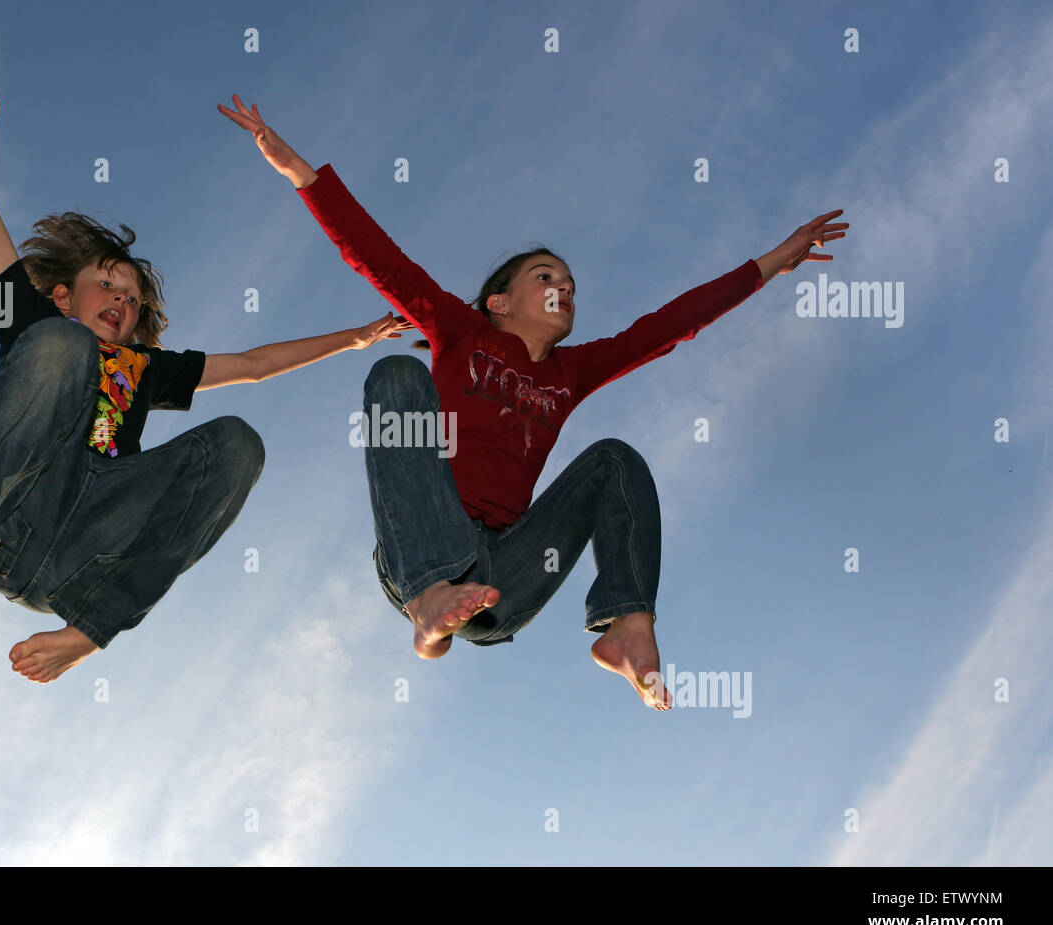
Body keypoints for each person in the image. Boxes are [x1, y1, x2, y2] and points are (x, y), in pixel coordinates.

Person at [217, 94, 848, 709]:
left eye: (570, 283)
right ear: (499, 301)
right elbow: (376, 256)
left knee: (614, 461)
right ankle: (427, 598)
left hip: (505, 576)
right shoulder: (461, 331)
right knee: (395, 377)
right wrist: (300, 171)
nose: (564, 287)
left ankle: (626, 626)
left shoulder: (573, 371)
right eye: (545, 277)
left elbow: (669, 326)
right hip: (426, 542)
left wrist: (768, 265)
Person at [0, 61, 408, 685]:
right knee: (61, 351)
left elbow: (255, 366)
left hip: (85, 549)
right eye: (105, 284)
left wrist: (356, 338)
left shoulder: (147, 369)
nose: (120, 301)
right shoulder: (29, 317)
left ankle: (91, 628)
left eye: (130, 299)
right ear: (60, 295)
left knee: (237, 442)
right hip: (8, 522)